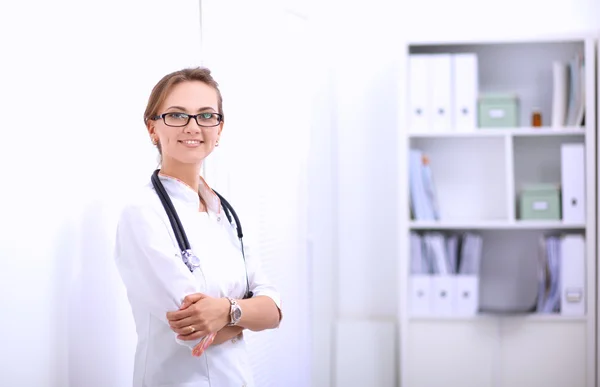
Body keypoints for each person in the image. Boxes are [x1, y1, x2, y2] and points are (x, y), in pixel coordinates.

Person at [114, 67, 282, 387]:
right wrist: (247, 312)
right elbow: (198, 332)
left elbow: (273, 310)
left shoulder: (226, 215)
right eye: (177, 115)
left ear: (218, 130)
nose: (193, 126)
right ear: (153, 128)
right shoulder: (142, 214)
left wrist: (226, 311)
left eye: (206, 115)